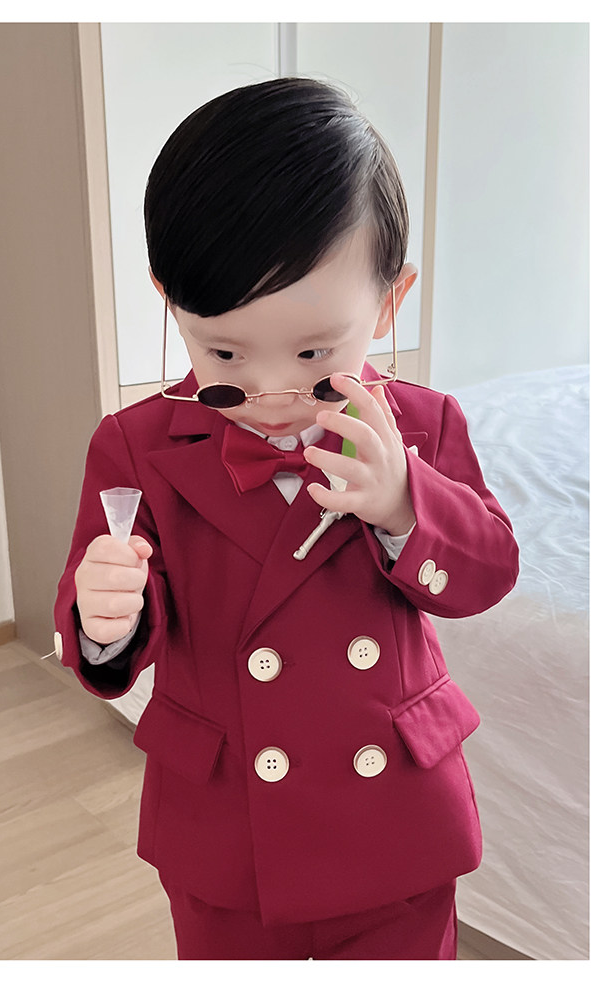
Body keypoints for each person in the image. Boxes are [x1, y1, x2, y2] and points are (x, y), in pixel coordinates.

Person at [53, 77, 519, 960]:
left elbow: (488, 572)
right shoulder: (135, 446)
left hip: (394, 817)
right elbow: (104, 639)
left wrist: (402, 502)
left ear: (390, 300)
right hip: (228, 824)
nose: (270, 392)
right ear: (171, 301)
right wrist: (106, 621)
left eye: (313, 351)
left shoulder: (423, 426)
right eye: (224, 350)